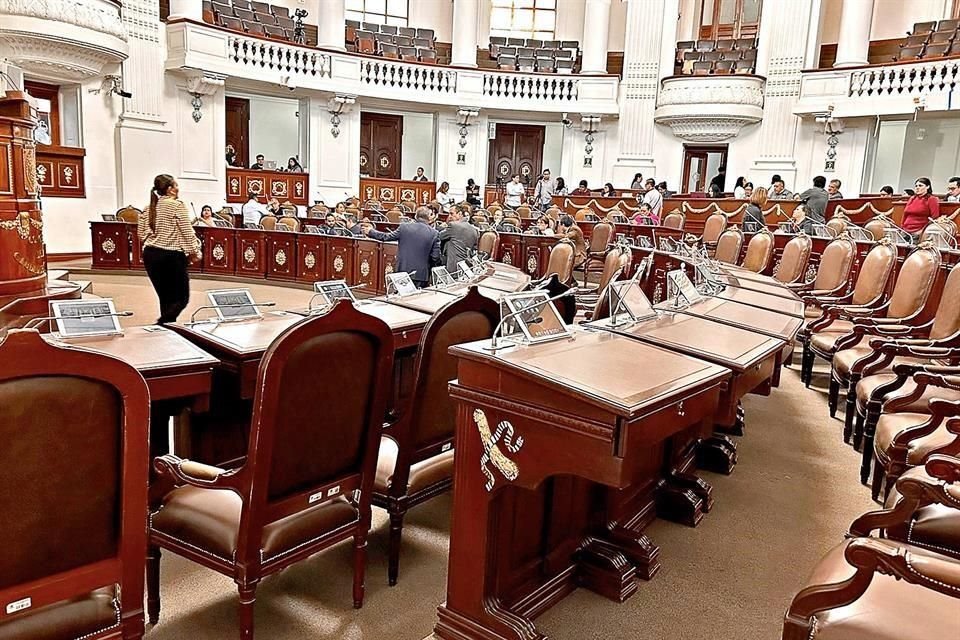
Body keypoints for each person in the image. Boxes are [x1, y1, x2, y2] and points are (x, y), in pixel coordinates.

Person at [137, 174, 201, 325]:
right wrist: (195, 251)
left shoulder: (148, 208)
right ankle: (162, 324)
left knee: (165, 297)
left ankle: (166, 331)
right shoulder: (177, 205)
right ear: (170, 189)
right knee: (182, 298)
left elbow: (141, 234)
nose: (178, 188)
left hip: (151, 255)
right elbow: (187, 231)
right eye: (176, 185)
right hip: (171, 256)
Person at [365, 207, 440, 288]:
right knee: (417, 299)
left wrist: (371, 231)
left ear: (415, 216)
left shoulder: (404, 227)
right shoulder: (434, 233)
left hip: (402, 271)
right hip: (421, 275)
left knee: (401, 298)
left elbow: (386, 237)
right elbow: (435, 257)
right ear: (429, 217)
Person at [438, 206, 479, 274]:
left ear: (460, 214)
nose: (449, 216)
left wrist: (442, 226)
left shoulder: (453, 226)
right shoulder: (474, 229)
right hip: (467, 266)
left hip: (453, 266)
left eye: (452, 214)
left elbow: (439, 236)